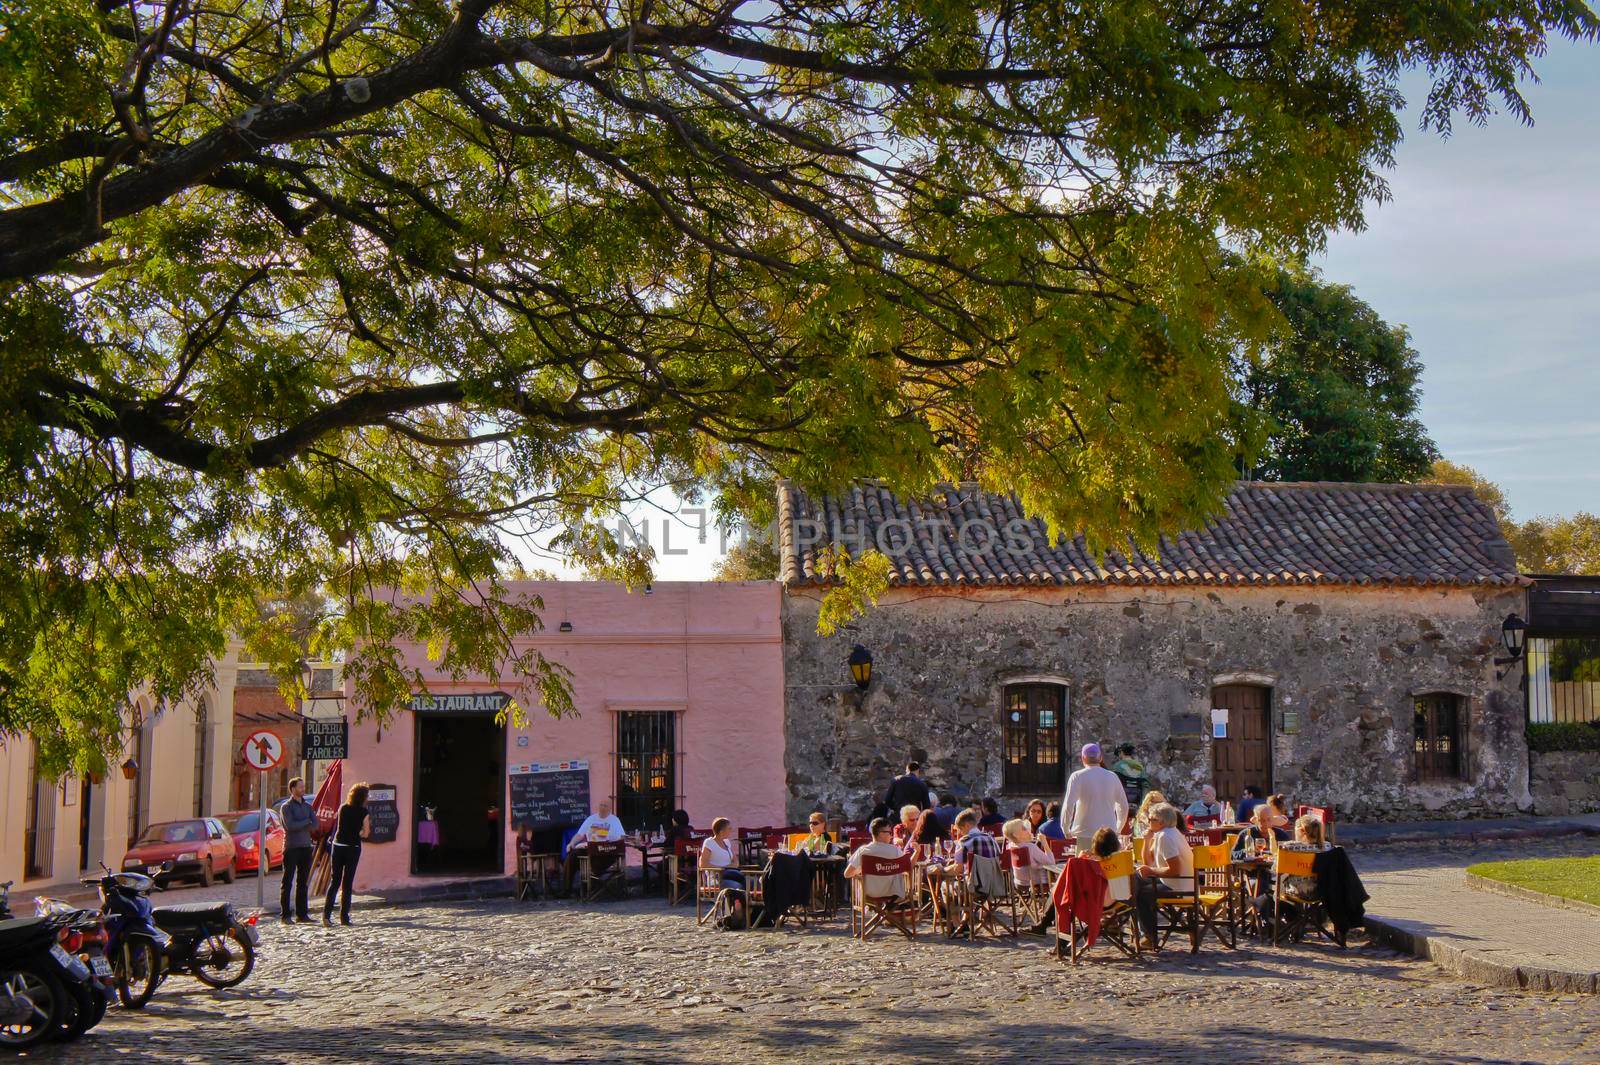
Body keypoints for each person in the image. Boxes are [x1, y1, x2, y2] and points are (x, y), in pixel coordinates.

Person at [1133, 803, 1193, 948]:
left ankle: (1148, 935)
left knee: (1142, 894)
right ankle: (1145, 932)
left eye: (1151, 819)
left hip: (1180, 886)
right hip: (1176, 882)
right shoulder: (1167, 833)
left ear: (1160, 821)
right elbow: (1148, 861)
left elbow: (1175, 870)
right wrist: (1146, 841)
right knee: (1136, 879)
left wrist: (1151, 871)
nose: (1148, 822)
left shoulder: (1165, 836)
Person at [1059, 743, 1129, 847]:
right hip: (1108, 833)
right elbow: (1123, 806)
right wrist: (1118, 828)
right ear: (1100, 758)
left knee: (1085, 862)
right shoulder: (1112, 777)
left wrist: (1065, 829)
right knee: (1108, 863)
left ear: (1083, 758)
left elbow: (1069, 805)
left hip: (1084, 832)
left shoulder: (1077, 776)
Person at [323, 782, 370, 927]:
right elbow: (366, 833)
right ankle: (344, 917)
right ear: (363, 797)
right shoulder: (364, 812)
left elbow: (341, 826)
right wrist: (359, 832)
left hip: (338, 846)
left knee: (334, 881)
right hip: (352, 847)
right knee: (347, 883)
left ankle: (326, 915)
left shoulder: (343, 808)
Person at [844, 816, 912, 908]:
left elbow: (847, 874)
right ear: (881, 834)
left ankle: (880, 913)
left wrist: (859, 872)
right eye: (889, 832)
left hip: (868, 893)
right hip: (892, 893)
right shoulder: (895, 851)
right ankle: (889, 912)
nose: (891, 836)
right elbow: (908, 866)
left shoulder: (863, 851)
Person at [562, 800, 627, 894]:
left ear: (610, 808)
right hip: (591, 849)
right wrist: (571, 843)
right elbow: (580, 835)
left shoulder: (614, 820)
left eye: (605, 806)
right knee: (572, 856)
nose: (602, 807)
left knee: (596, 863)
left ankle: (591, 888)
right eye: (601, 805)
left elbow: (621, 837)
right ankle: (566, 890)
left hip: (607, 851)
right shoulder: (591, 819)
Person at [279, 776, 316, 924]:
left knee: (303, 882)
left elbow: (315, 824)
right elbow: (290, 826)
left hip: (306, 847)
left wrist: (304, 823)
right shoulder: (286, 807)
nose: (303, 789)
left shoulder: (307, 807)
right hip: (291, 847)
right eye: (300, 787)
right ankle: (285, 915)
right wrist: (306, 822)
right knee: (287, 881)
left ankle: (302, 914)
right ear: (293, 789)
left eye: (303, 786)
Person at [700, 817, 747, 923]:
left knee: (751, 883)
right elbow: (702, 864)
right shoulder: (709, 843)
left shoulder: (727, 842)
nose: (731, 830)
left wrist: (730, 867)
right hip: (717, 877)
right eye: (729, 828)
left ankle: (752, 916)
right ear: (721, 831)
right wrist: (722, 868)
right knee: (737, 888)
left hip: (732, 873)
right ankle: (736, 917)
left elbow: (736, 861)